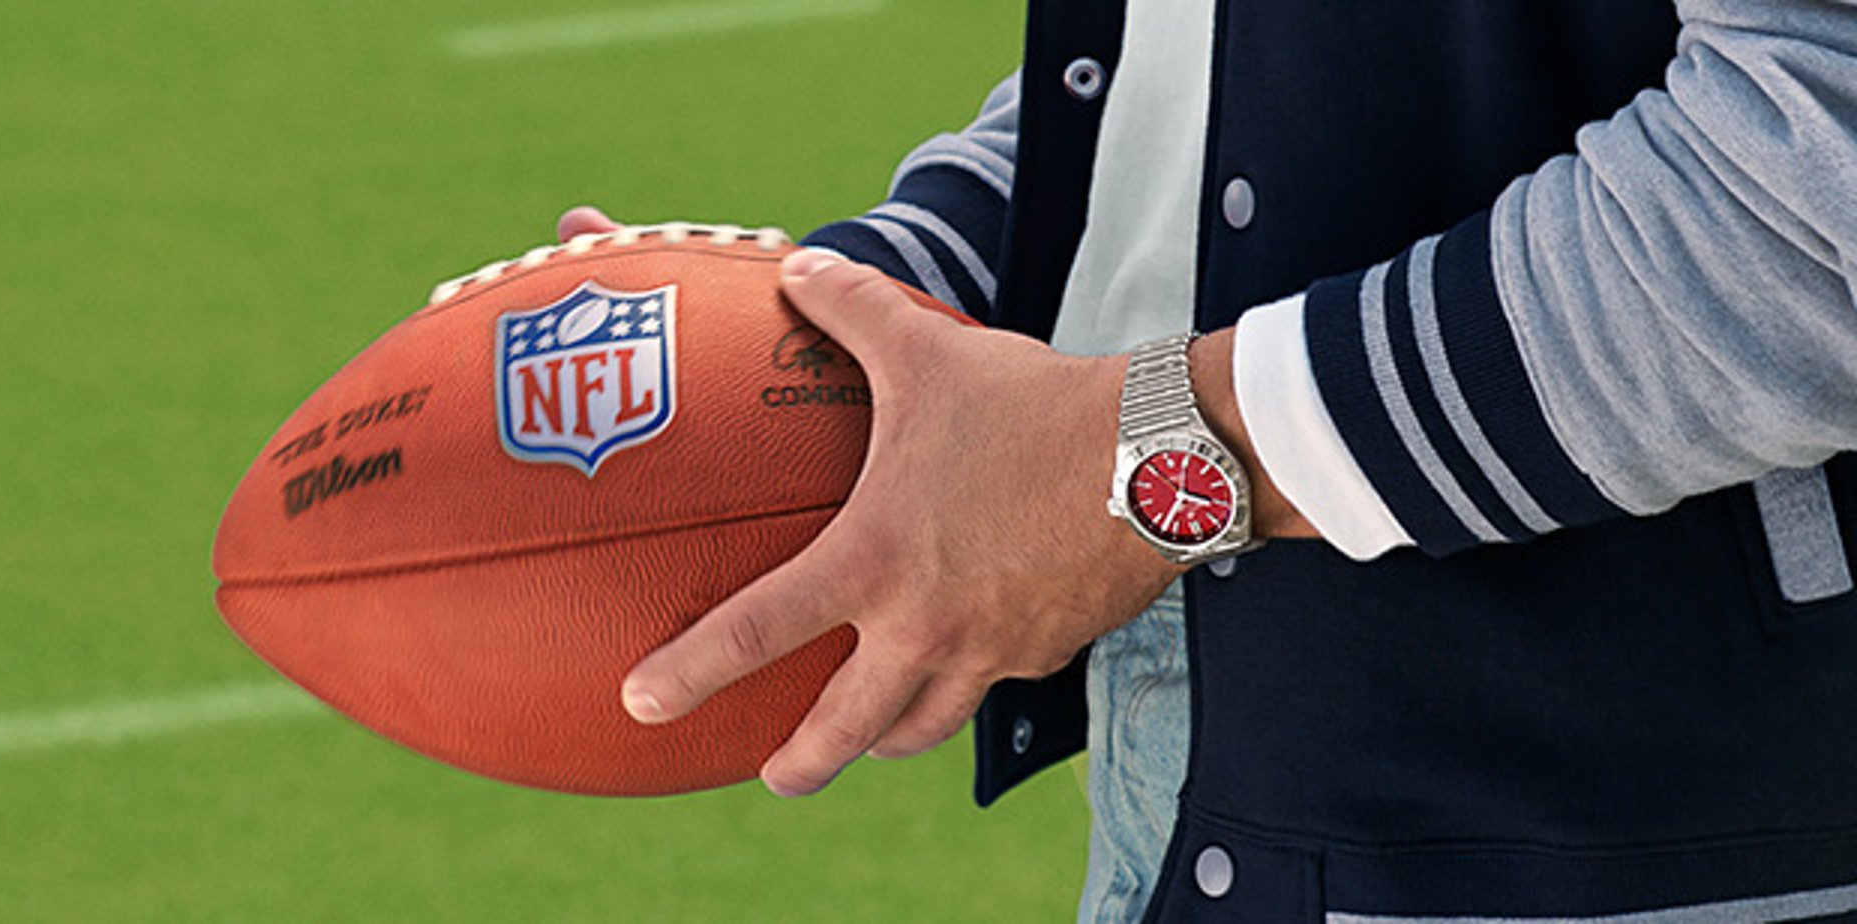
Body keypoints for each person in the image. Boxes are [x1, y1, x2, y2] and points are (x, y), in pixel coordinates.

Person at [568, 2, 1857, 921]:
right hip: (1199, 784)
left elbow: (1814, 173)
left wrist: (1151, 457)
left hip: (1640, 831)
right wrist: (844, 326)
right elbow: (1186, 60)